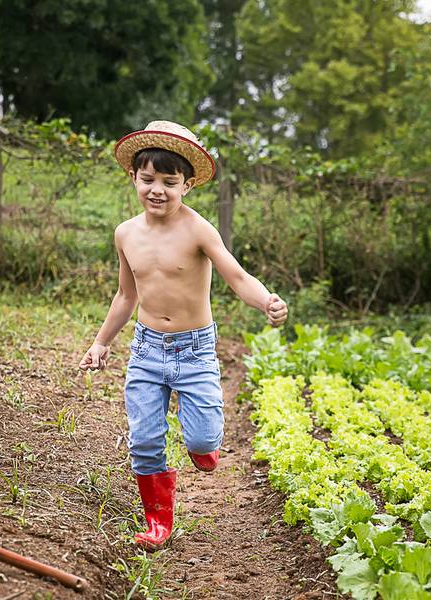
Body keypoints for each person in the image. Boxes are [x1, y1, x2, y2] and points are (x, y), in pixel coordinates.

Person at [78, 120, 288, 550]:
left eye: (169, 182)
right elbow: (124, 295)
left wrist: (266, 300)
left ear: (187, 185)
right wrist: (101, 342)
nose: (157, 190)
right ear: (133, 177)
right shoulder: (125, 234)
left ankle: (201, 444)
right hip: (147, 349)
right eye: (148, 179)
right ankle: (158, 521)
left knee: (203, 439)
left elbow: (237, 275)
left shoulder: (198, 229)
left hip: (194, 351)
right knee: (145, 438)